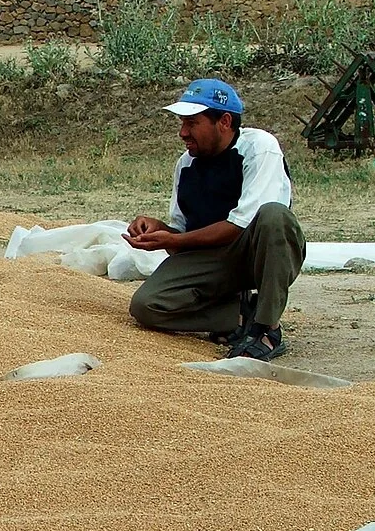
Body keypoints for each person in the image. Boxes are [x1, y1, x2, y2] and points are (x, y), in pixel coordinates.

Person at [124, 79, 305, 361]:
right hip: (214, 260)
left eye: (192, 123)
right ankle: (238, 316)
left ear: (224, 121)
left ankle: (267, 328)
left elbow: (241, 225)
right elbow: (182, 241)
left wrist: (175, 238)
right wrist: (160, 231)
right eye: (182, 123)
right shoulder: (186, 164)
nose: (183, 133)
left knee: (274, 216)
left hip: (259, 253)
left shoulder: (259, 147)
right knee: (146, 306)